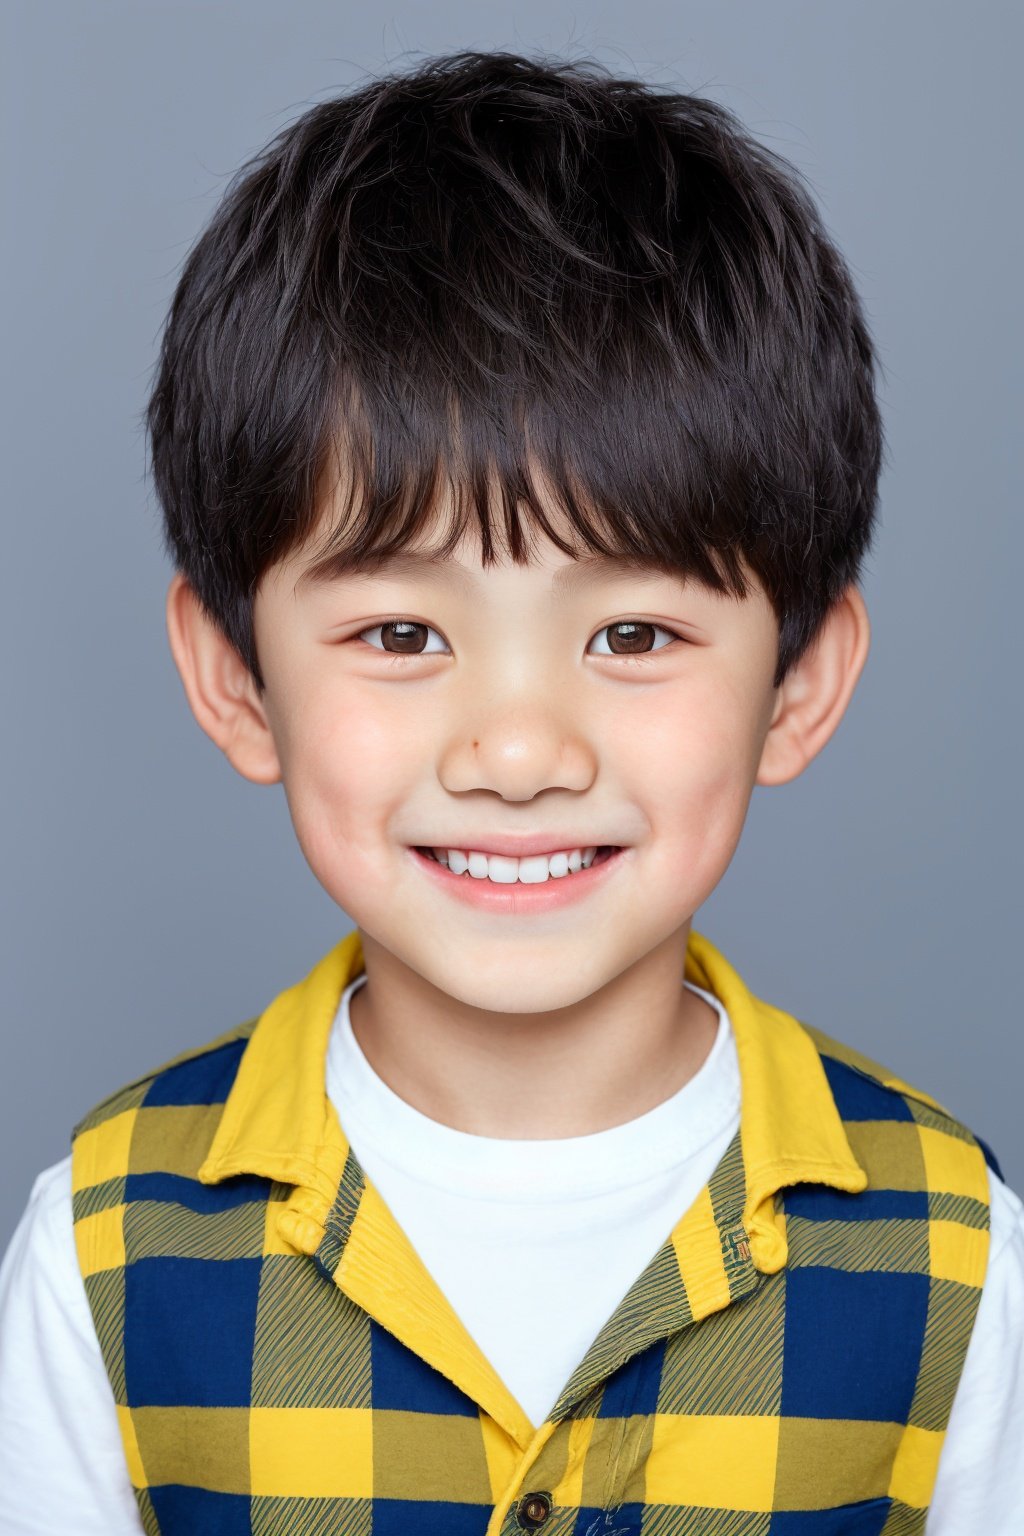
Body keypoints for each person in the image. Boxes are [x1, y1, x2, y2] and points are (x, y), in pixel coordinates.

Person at [1, 47, 1021, 1536]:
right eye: (403, 635)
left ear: (798, 687)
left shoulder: (954, 1253)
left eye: (635, 635)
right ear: (236, 678)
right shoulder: (106, 1247)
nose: (521, 750)